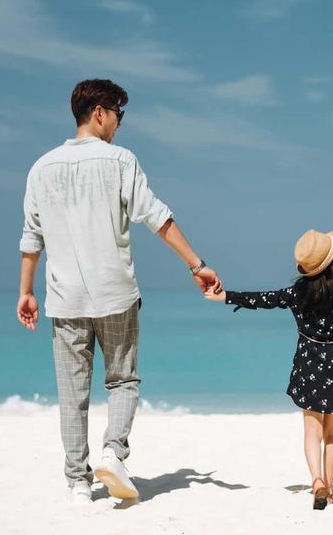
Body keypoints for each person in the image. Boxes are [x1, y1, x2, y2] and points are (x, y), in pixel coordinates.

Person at [16, 79, 222, 504]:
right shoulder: (120, 161)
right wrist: (196, 265)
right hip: (116, 293)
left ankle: (77, 480)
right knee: (123, 380)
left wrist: (26, 291)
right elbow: (156, 217)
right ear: (99, 112)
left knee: (72, 392)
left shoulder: (41, 168)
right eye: (118, 116)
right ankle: (113, 451)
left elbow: (31, 238)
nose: (119, 125)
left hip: (64, 297)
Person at [204, 229, 333, 509]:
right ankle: (331, 488)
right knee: (332, 432)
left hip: (307, 362)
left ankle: (316, 482)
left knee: (311, 430)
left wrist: (225, 296)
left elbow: (263, 299)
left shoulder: (297, 293)